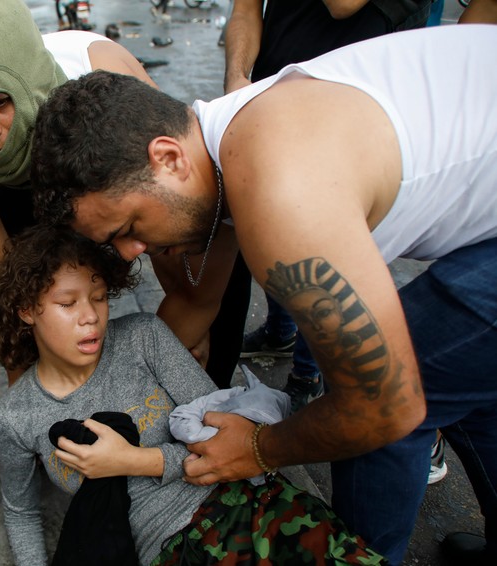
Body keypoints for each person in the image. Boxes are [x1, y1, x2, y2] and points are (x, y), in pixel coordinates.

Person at [29, 25, 497, 565]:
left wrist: (256, 448)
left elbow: (385, 407)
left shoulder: (279, 197)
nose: (131, 252)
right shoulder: (224, 144)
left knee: (376, 404)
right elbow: (195, 304)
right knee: (463, 377)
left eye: (129, 227)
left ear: (168, 157)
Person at [0, 225, 386, 566]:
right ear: (27, 310)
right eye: (67, 303)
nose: (90, 316)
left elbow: (227, 439)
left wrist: (131, 460)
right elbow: (20, 511)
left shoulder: (143, 337)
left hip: (253, 502)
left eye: (99, 297)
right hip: (176, 549)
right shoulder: (18, 416)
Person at [0, 0, 221, 386]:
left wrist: (190, 320)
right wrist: (26, 397)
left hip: (104, 156)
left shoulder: (109, 96)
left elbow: (180, 255)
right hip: (10, 198)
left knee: (203, 324)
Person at [225, 0, 430, 412]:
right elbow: (245, 9)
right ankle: (280, 330)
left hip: (352, 107)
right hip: (276, 91)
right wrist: (237, 79)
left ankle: (309, 374)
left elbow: (343, 6)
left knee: (322, 248)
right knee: (270, 220)